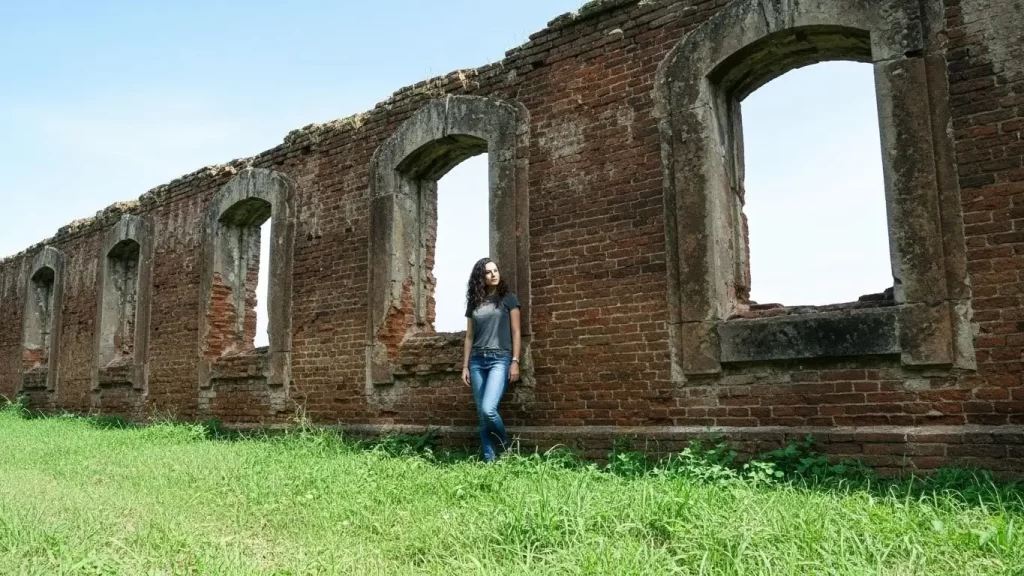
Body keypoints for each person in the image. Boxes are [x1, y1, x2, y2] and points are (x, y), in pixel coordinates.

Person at [461, 257, 521, 462]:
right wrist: (465, 366)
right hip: (477, 361)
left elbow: (516, 331)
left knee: (488, 409)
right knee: (481, 413)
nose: (494, 274)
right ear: (481, 277)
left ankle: (506, 448)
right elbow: (469, 336)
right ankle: (489, 459)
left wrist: (515, 361)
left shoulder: (509, 299)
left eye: (496, 270)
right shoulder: (474, 302)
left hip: (500, 360)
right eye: (488, 272)